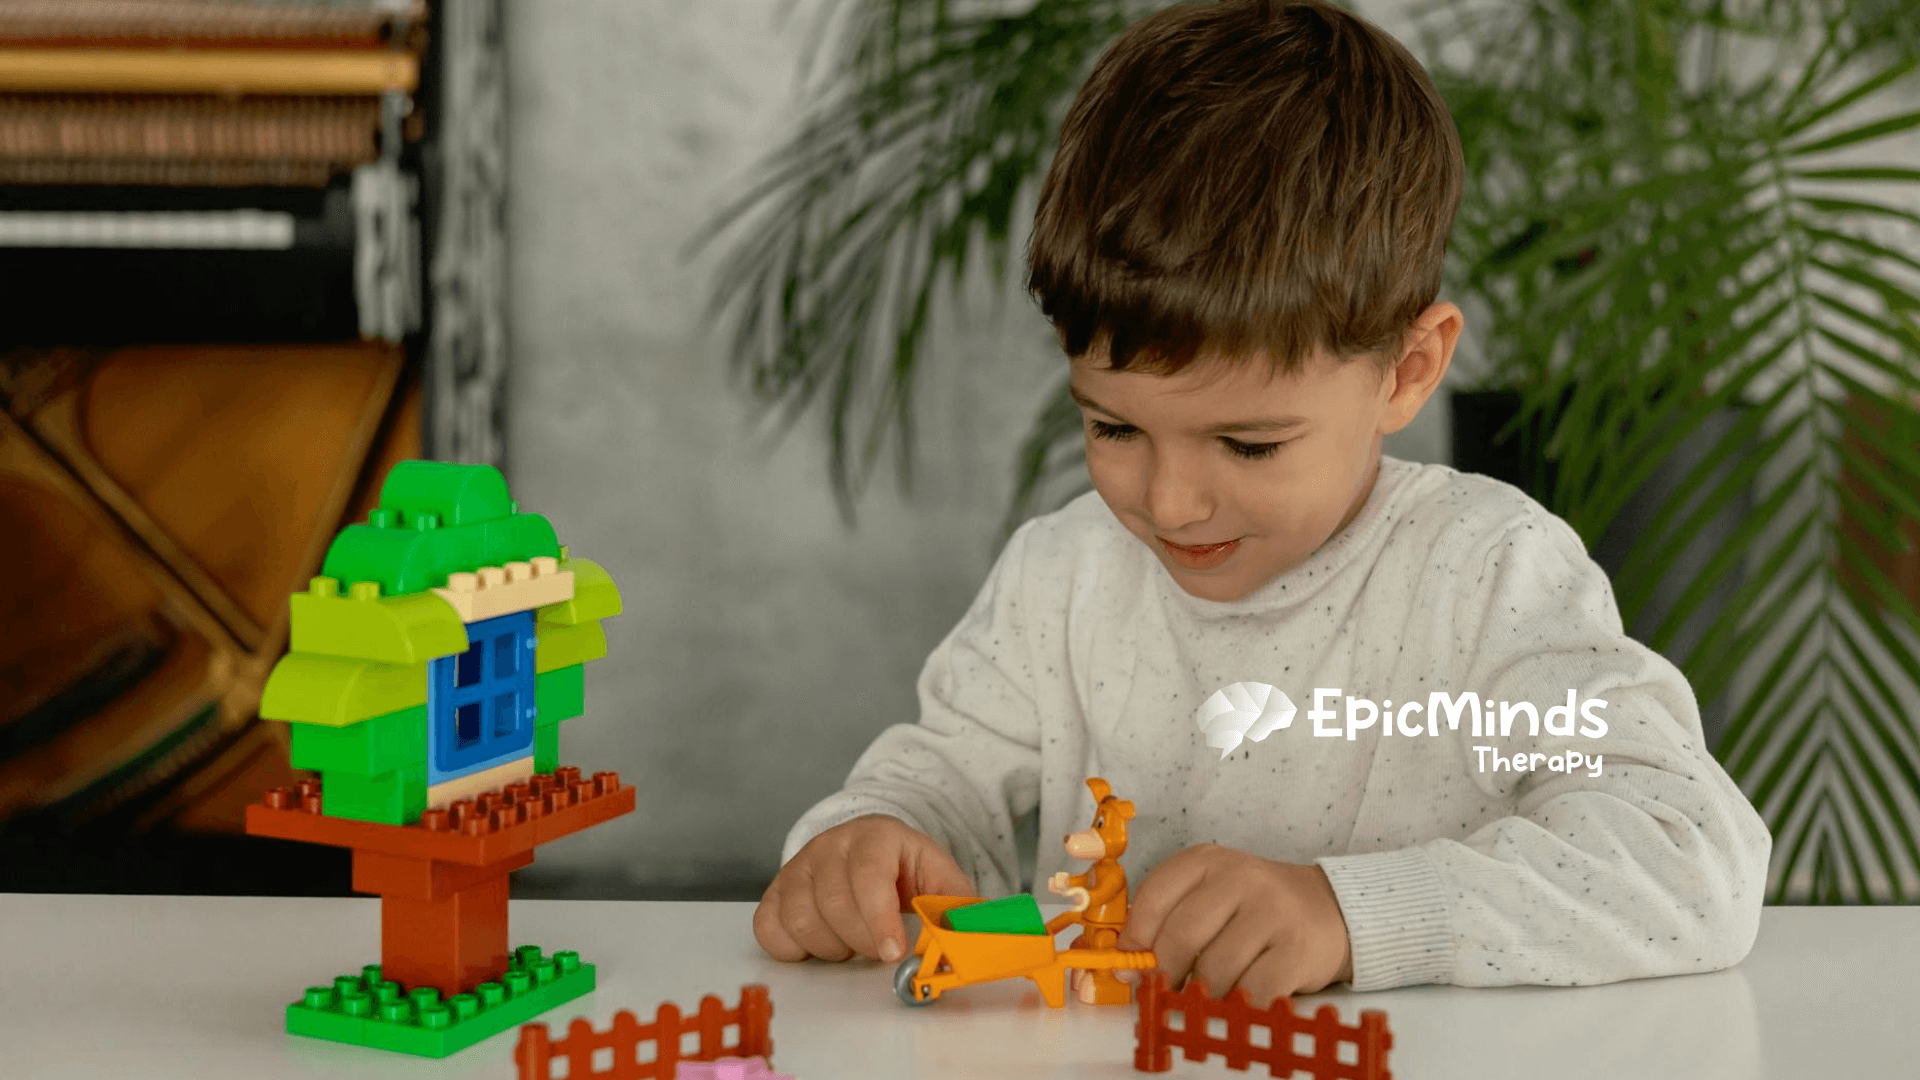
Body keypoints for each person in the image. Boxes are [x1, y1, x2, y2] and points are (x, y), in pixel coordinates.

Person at [752, 0, 1771, 1007]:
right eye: (1113, 428)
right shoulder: (1062, 578)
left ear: (1408, 370)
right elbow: (938, 784)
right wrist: (868, 841)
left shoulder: (1485, 576)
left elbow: (1689, 854)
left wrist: (1350, 914)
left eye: (1249, 444)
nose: (1170, 504)